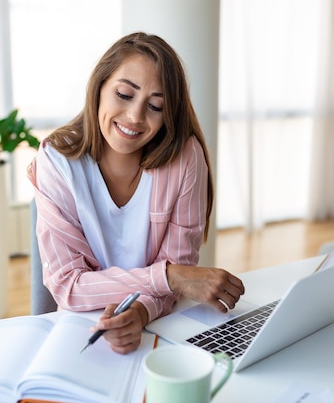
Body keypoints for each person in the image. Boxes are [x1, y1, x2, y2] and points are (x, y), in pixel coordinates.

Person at [27, 32, 245, 354]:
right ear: (99, 86)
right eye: (124, 94)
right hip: (79, 332)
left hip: (158, 323)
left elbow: (179, 269)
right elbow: (68, 286)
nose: (135, 117)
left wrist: (141, 311)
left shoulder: (185, 159)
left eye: (155, 106)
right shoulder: (56, 164)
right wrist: (170, 277)